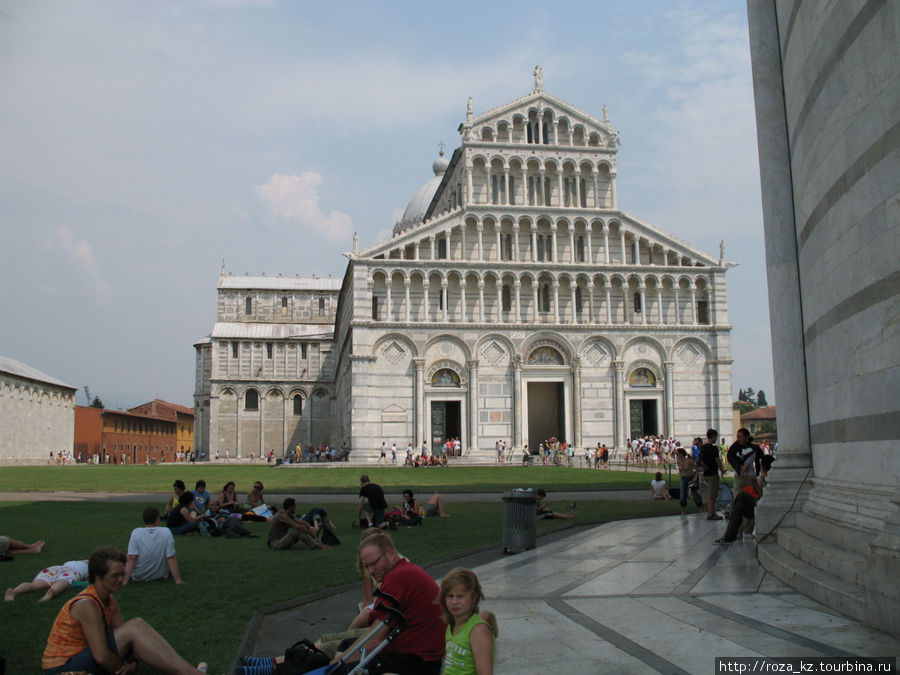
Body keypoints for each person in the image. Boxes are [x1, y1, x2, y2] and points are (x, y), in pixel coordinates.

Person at [42, 546, 206, 674]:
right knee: (135, 626)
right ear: (98, 576)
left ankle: (188, 671)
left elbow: (129, 641)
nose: (121, 580)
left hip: (81, 658)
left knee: (137, 626)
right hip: (62, 668)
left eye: (122, 574)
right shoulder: (87, 604)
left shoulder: (108, 600)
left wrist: (132, 664)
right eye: (115, 575)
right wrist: (121, 668)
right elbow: (101, 656)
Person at [330, 531, 445, 674]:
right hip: (423, 654)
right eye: (367, 566)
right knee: (347, 644)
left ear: (390, 553)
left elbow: (375, 639)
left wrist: (338, 664)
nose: (371, 570)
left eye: (374, 563)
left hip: (416, 661)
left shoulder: (397, 578)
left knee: (339, 669)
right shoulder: (405, 570)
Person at [439, 568, 497, 675]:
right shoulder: (451, 626)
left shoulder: (478, 631)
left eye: (460, 597)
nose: (454, 602)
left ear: (474, 598)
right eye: (450, 596)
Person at [124, 507, 183, 584]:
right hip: (160, 575)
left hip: (138, 575)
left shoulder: (136, 532)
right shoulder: (166, 532)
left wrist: (124, 581)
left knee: (127, 556)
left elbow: (132, 558)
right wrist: (178, 580)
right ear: (158, 518)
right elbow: (170, 557)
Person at [5, 559, 88, 603]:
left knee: (35, 584)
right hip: (72, 572)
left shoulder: (71, 562)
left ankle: (14, 592)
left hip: (55, 568)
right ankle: (51, 592)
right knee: (63, 582)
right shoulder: (89, 565)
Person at [699, 428, 727, 520]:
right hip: (713, 474)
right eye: (716, 437)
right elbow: (717, 460)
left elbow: (701, 461)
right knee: (712, 495)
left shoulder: (703, 448)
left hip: (705, 474)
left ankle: (710, 512)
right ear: (713, 437)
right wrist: (722, 470)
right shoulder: (714, 448)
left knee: (709, 495)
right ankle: (711, 513)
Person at [727, 428, 762, 497]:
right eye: (737, 437)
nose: (738, 439)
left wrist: (743, 471)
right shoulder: (734, 447)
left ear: (746, 437)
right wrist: (738, 469)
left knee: (752, 496)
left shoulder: (752, 448)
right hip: (738, 476)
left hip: (749, 476)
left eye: (740, 437)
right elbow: (730, 457)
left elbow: (748, 461)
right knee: (737, 496)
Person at [675, 447, 702, 514]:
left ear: (682, 454)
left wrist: (695, 478)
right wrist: (682, 475)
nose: (677, 456)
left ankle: (701, 509)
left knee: (695, 494)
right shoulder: (678, 462)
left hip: (691, 477)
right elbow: (680, 470)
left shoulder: (689, 461)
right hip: (684, 478)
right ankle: (683, 510)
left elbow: (697, 469)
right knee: (682, 494)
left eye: (678, 454)